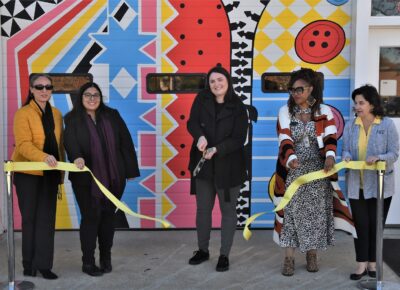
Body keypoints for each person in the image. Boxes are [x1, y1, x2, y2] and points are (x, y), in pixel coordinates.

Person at [274, 68, 345, 276]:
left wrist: (330, 157)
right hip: (293, 171)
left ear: (311, 89)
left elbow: (331, 137)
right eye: (292, 90)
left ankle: (311, 255)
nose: (295, 93)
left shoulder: (324, 111)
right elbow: (284, 139)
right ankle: (288, 259)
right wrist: (292, 160)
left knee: (314, 216)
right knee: (291, 215)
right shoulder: (285, 111)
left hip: (318, 171)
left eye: (299, 89)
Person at [64, 82, 140, 276]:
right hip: (85, 179)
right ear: (81, 98)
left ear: (100, 97)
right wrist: (76, 156)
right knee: (90, 219)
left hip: (114, 178)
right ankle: (88, 262)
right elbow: (70, 142)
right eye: (87, 95)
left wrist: (130, 170)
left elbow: (125, 141)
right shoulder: (72, 118)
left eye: (95, 94)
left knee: (108, 219)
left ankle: (106, 258)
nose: (92, 98)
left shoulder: (112, 115)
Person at [187, 66, 248, 272]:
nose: (216, 84)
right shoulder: (201, 100)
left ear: (228, 82)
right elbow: (192, 122)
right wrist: (200, 136)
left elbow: (239, 139)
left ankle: (224, 254)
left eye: (220, 80)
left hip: (229, 168)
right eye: (212, 81)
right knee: (203, 210)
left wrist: (217, 149)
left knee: (228, 211)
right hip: (203, 166)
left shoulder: (238, 106)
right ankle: (202, 250)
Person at [342, 84, 399, 280]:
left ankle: (373, 265)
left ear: (372, 104)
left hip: (381, 186)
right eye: (355, 103)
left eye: (361, 103)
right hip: (355, 186)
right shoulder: (351, 125)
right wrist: (347, 156)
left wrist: (379, 157)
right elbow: (346, 150)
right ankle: (361, 265)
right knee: (360, 226)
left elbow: (394, 153)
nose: (357, 106)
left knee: (376, 226)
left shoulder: (387, 125)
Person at [12, 73, 64, 279]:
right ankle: (29, 265)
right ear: (31, 90)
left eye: (48, 87)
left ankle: (44, 265)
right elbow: (23, 144)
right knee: (30, 220)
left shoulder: (58, 114)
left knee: (47, 221)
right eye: (39, 87)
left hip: (50, 174)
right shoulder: (22, 113)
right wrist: (44, 157)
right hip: (28, 174)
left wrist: (60, 172)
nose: (44, 91)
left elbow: (60, 145)